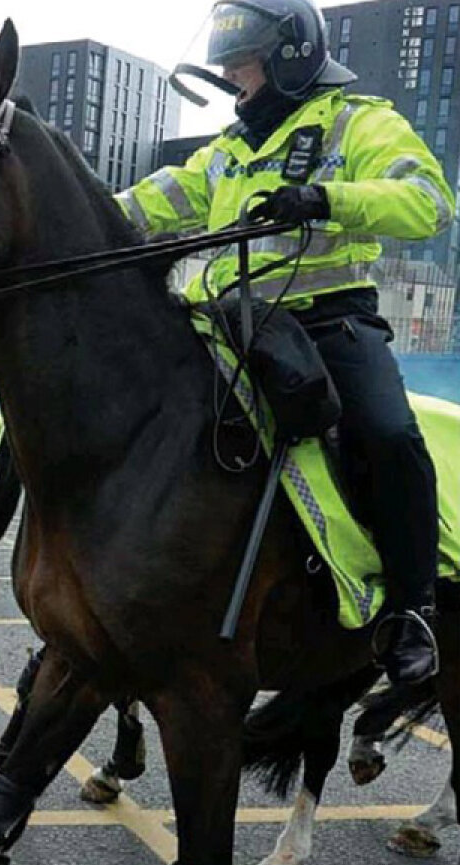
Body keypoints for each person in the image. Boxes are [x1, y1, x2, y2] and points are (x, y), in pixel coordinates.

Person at [116, 0, 452, 688]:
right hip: (228, 324)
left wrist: (326, 199)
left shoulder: (361, 121)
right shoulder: (226, 153)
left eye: (242, 65)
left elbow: (428, 201)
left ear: (290, 58)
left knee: (389, 435)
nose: (233, 80)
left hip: (330, 324)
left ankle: (413, 608)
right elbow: (142, 204)